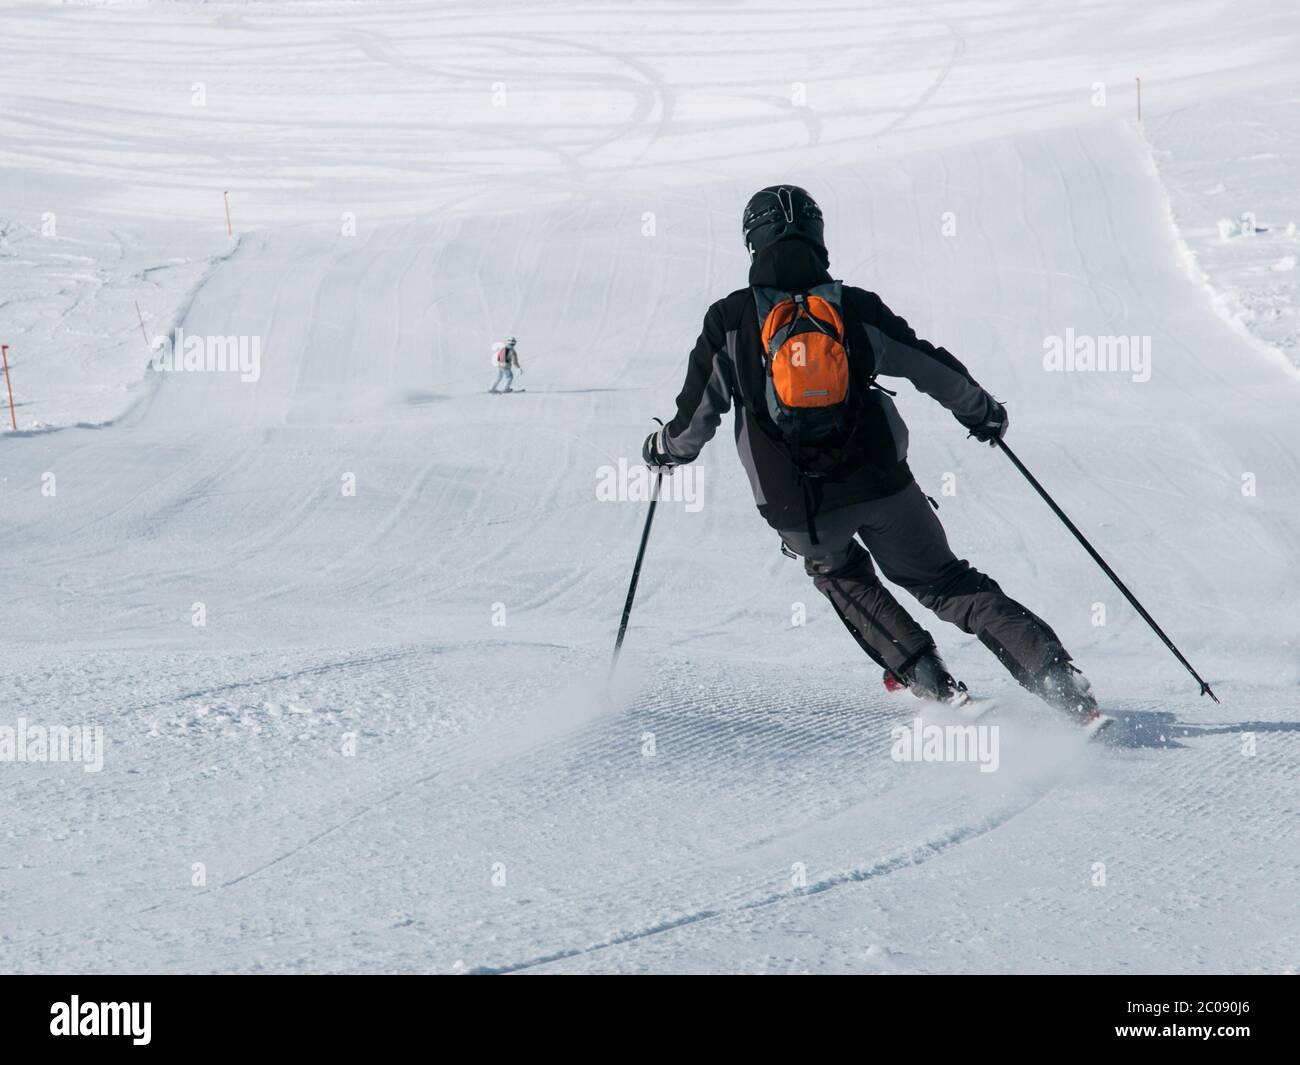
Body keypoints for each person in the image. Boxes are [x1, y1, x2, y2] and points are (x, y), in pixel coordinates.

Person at [642, 185, 1100, 722]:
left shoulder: (729, 320)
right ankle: (1060, 683)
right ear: (818, 236)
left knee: (840, 574)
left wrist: (664, 451)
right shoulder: (854, 307)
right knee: (945, 582)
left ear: (751, 242)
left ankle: (925, 677)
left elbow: (694, 422)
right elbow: (928, 366)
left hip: (797, 507)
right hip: (883, 484)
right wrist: (983, 413)